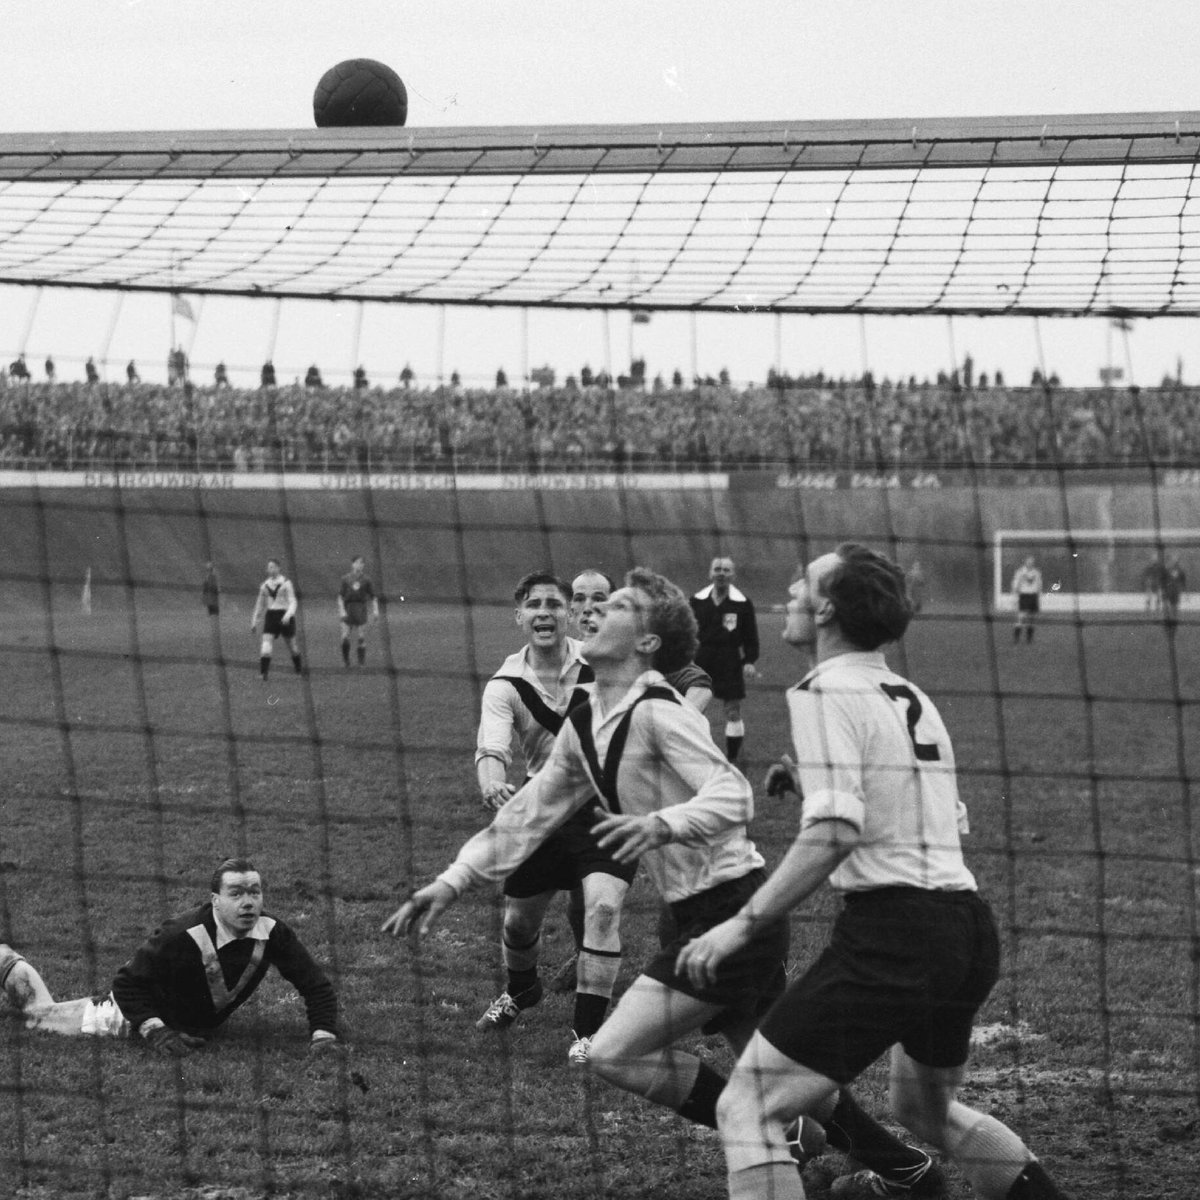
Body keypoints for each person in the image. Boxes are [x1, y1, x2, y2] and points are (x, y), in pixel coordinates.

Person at [676, 543, 1071, 1200]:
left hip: (895, 935)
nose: (790, 594)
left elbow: (835, 831)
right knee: (927, 1114)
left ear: (827, 606)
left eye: (802, 583)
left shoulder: (823, 688)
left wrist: (740, 926)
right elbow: (946, 816)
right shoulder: (908, 693)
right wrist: (812, 782)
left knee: (744, 1106)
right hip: (966, 931)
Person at [469, 571, 636, 1065]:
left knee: (603, 912)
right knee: (519, 925)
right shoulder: (505, 684)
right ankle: (522, 990)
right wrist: (491, 783)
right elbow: (491, 747)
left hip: (606, 811)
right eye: (533, 604)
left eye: (554, 604)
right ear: (519, 616)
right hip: (539, 810)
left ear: (569, 615)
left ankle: (586, 1037)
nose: (544, 612)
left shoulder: (603, 663)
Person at [0, 858, 343, 1057]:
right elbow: (126, 985)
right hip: (120, 1016)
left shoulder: (273, 933)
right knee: (34, 1017)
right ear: (215, 900)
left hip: (188, 1023)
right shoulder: (182, 934)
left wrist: (324, 1036)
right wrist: (156, 1031)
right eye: (236, 894)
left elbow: (316, 986)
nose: (248, 902)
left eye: (254, 892)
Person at [691, 556, 759, 763]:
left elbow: (751, 637)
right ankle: (694, 755)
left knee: (732, 710)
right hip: (700, 660)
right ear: (710, 573)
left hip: (729, 660)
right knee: (692, 709)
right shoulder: (696, 601)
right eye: (717, 569)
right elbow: (686, 632)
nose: (721, 573)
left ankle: (731, 758)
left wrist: (749, 660)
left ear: (733, 575)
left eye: (726, 570)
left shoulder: (743, 604)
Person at [251, 558, 302, 680]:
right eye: (269, 567)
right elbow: (260, 605)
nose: (271, 569)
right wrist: (254, 622)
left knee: (292, 647)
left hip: (285, 616)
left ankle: (299, 670)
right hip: (271, 617)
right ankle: (263, 673)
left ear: (279, 568)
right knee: (266, 645)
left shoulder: (286, 583)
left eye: (273, 567)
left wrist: (288, 615)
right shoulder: (264, 586)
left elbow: (293, 601)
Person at [338, 555, 380, 667]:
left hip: (361, 608)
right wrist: (342, 610)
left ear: (363, 565)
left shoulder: (366, 579)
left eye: (361, 563)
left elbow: (373, 596)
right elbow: (340, 597)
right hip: (348, 608)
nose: (359, 565)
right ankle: (346, 661)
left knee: (361, 637)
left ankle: (361, 663)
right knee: (345, 637)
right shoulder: (345, 578)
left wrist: (376, 610)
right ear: (352, 564)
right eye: (357, 562)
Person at [1010, 555, 1042, 643]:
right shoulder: (1020, 572)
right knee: (1021, 617)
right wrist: (1015, 597)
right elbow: (1015, 584)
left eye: (1032, 562)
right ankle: (1016, 639)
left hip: (1033, 596)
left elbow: (1039, 584)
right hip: (1024, 596)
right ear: (1025, 562)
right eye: (1029, 562)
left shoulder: (1036, 572)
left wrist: (1038, 595)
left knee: (1032, 618)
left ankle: (1029, 639)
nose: (1030, 563)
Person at [1161, 554, 1187, 625]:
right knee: (1167, 604)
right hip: (1168, 590)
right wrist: (1163, 589)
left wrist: (1185, 591)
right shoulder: (1167, 569)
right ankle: (1168, 618)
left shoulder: (1180, 570)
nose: (1175, 561)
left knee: (1175, 605)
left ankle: (1174, 618)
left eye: (1176, 559)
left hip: (1176, 590)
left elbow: (1183, 581)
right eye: (1173, 559)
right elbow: (1163, 580)